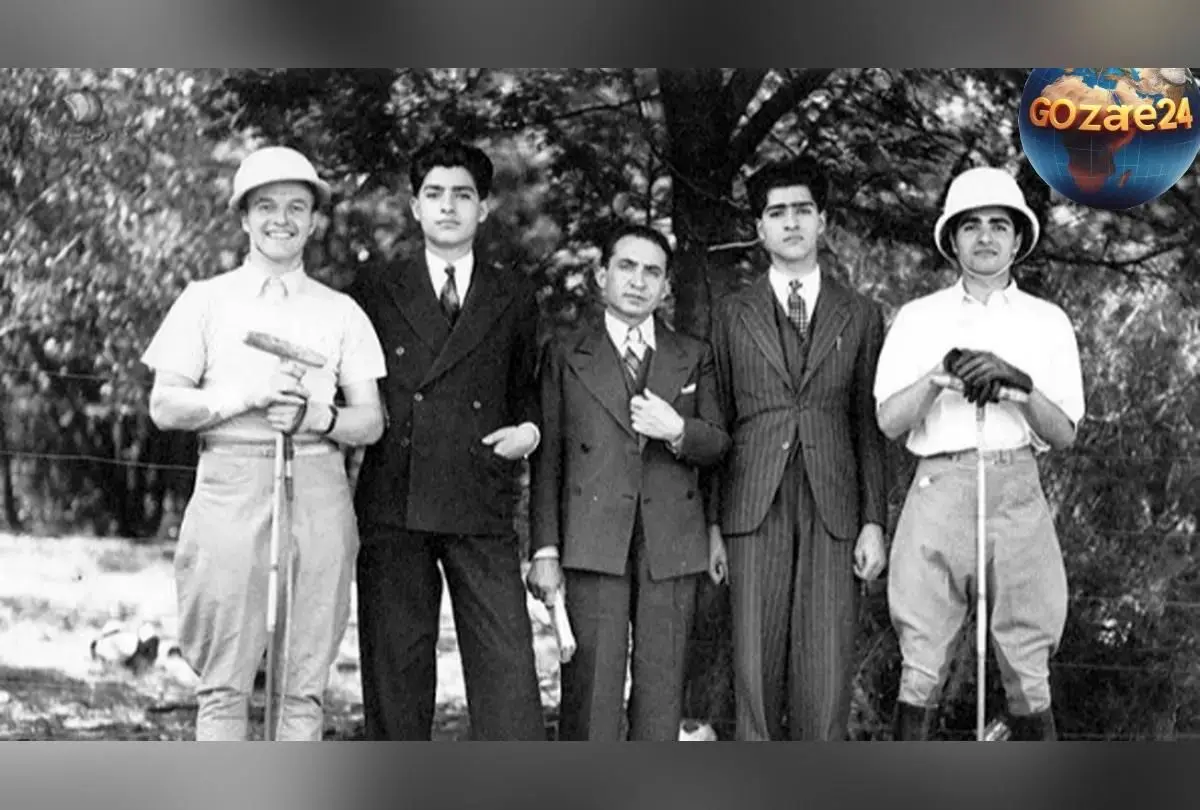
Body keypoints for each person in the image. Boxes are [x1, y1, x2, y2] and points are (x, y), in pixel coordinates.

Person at [142, 145, 387, 741]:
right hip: (229, 486)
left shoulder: (341, 312)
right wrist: (246, 395)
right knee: (224, 682)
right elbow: (165, 405)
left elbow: (371, 422)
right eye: (266, 206)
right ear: (244, 217)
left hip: (318, 487)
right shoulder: (205, 300)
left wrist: (318, 417)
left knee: (302, 686)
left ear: (314, 219)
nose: (282, 219)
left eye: (297, 207)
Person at [875, 166, 1085, 741]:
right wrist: (938, 377)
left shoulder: (1047, 321)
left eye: (999, 225)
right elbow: (889, 420)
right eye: (970, 225)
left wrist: (1021, 386)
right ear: (952, 239)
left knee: (1028, 661)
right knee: (921, 658)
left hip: (1015, 486)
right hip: (939, 486)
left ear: (1018, 239)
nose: (985, 237)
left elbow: (1064, 432)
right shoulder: (919, 318)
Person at [348, 138, 546, 740]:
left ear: (483, 207)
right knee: (397, 677)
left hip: (481, 494)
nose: (448, 206)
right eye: (434, 194)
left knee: (508, 676)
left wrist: (530, 430)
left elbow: (528, 387)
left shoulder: (514, 293)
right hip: (395, 498)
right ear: (415, 206)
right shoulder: (375, 288)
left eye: (463, 195)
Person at [525, 224, 730, 741]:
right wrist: (545, 548)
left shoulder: (693, 353)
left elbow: (719, 443)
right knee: (591, 695)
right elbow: (548, 459)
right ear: (602, 276)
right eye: (627, 267)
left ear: (666, 288)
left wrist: (678, 430)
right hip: (593, 538)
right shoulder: (565, 353)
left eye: (652, 272)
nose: (638, 281)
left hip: (672, 541)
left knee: (662, 695)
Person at [707, 158, 889, 741]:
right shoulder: (729, 313)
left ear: (822, 222)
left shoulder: (860, 314)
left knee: (826, 678)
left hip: (833, 508)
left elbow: (868, 425)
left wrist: (873, 521)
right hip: (751, 506)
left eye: (803, 210)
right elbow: (715, 420)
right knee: (753, 675)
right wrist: (712, 525)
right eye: (777, 212)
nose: (791, 223)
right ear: (759, 227)